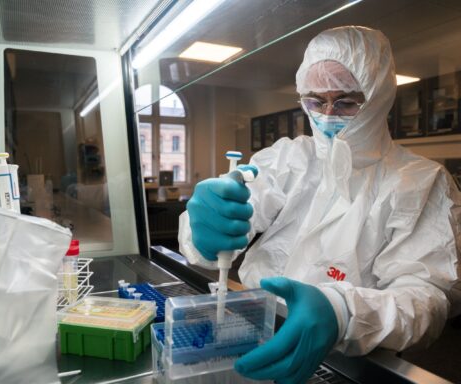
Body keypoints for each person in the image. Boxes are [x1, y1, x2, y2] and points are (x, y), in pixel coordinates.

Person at [178, 26, 461, 383]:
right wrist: (203, 228)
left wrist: (342, 312)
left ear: (377, 97)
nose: (327, 114)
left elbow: (427, 297)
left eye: (345, 101)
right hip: (252, 331)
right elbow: (229, 214)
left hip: (348, 358)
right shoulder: (290, 157)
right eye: (315, 100)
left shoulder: (421, 181)